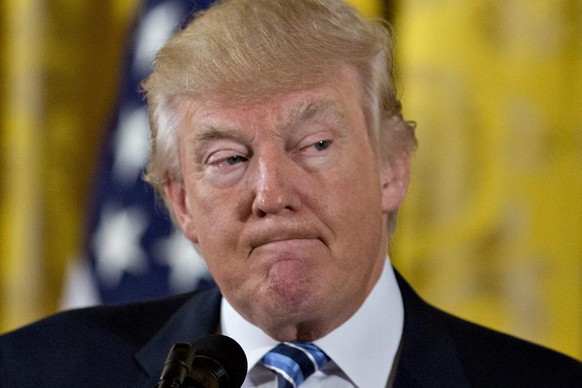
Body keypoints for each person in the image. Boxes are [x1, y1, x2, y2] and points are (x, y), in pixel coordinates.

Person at [1, 0, 581, 387]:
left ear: (391, 170)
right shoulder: (31, 373)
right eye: (228, 158)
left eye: (315, 145)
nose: (271, 193)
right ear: (181, 204)